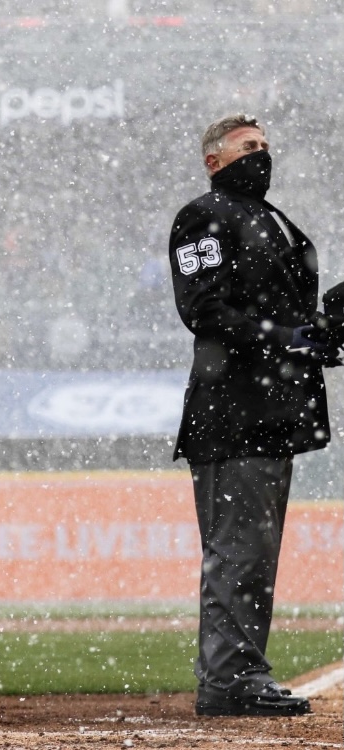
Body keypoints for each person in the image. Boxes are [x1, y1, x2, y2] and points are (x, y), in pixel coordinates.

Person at [167, 113, 341, 718]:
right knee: (239, 551)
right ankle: (228, 679)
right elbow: (205, 309)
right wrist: (291, 336)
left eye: (265, 146)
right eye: (247, 147)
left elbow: (280, 316)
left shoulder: (275, 220)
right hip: (233, 411)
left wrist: (321, 330)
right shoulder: (204, 216)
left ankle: (239, 674)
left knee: (254, 553)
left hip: (269, 412)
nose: (260, 155)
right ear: (214, 161)